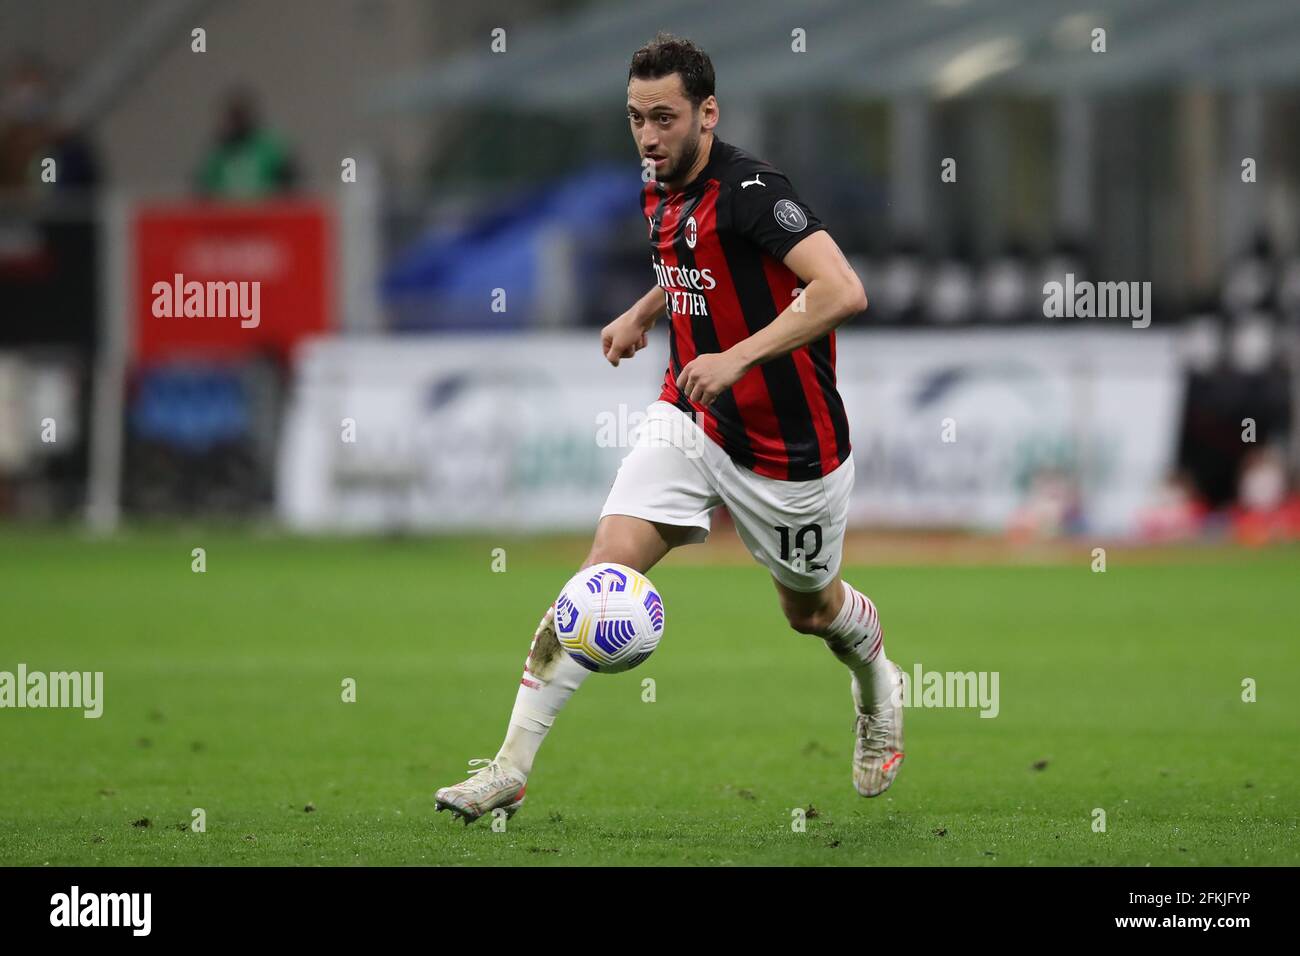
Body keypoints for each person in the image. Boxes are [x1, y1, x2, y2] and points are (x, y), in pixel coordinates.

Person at [435, 33, 902, 823]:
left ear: (707, 114)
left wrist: (735, 359)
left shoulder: (755, 189)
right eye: (634, 118)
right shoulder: (655, 180)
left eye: (664, 117)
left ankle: (878, 686)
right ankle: (509, 767)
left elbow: (842, 289)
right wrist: (646, 310)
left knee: (811, 613)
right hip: (690, 419)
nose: (648, 136)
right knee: (596, 579)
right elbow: (692, 260)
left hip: (790, 452)